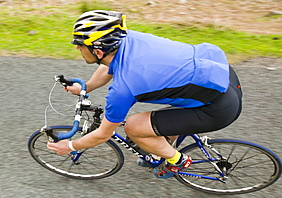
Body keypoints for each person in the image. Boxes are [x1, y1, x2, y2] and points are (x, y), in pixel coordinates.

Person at [47, 10, 242, 179]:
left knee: (134, 126)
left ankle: (177, 160)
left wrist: (71, 146)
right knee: (161, 117)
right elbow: (111, 65)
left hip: (217, 108)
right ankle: (159, 152)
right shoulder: (127, 38)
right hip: (220, 73)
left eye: (80, 44)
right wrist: (86, 87)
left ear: (98, 51)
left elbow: (102, 135)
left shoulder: (123, 89)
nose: (77, 48)